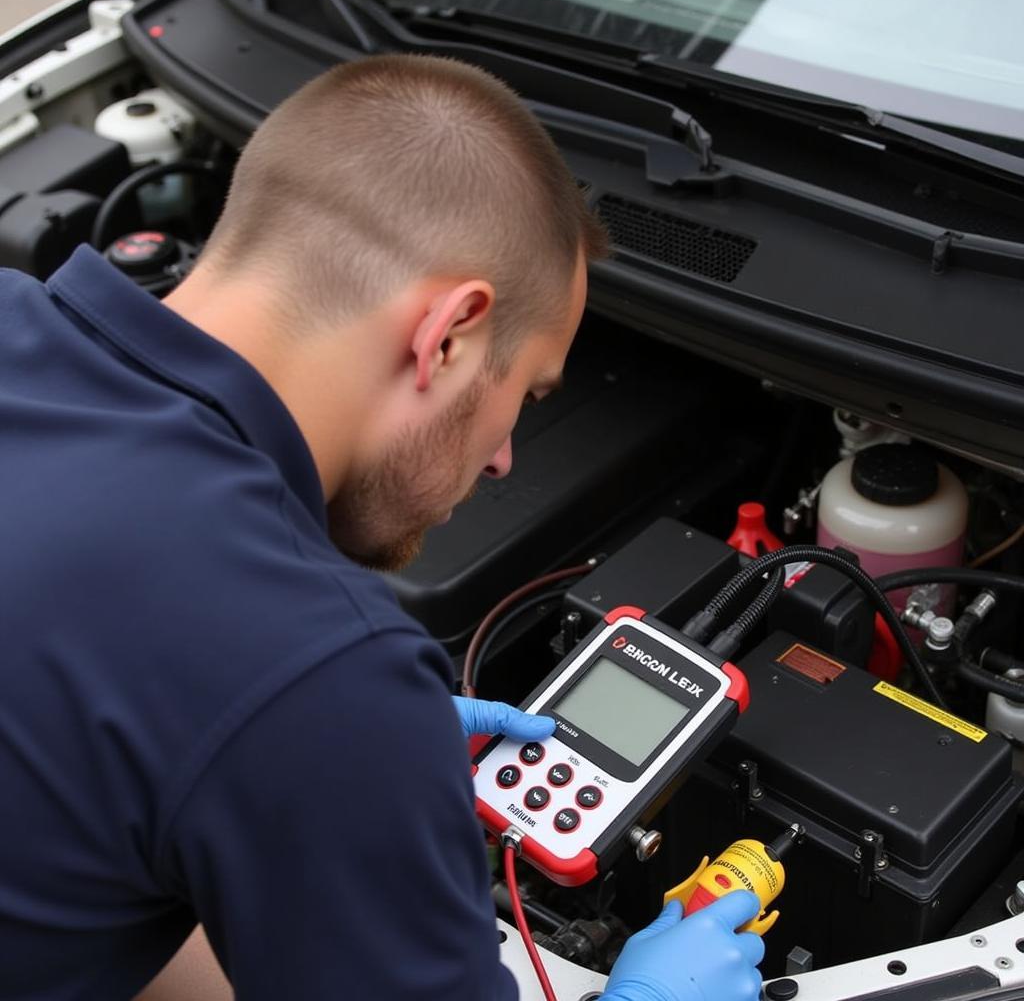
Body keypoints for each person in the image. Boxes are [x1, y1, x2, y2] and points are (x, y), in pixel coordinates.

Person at [0, 54, 764, 1000]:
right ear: (448, 334)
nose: (504, 460)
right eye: (525, 392)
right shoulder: (314, 665)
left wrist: (304, 780)